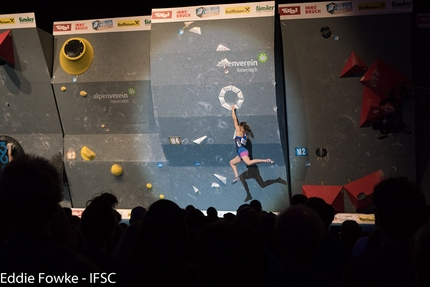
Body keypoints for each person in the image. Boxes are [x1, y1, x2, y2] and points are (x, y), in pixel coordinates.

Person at [229, 104, 274, 184]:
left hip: (242, 151)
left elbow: (234, 119)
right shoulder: (246, 134)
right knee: (232, 162)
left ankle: (266, 160)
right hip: (241, 152)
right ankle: (236, 177)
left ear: (241, 127)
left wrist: (233, 110)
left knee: (249, 162)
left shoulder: (239, 131)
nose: (238, 127)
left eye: (239, 126)